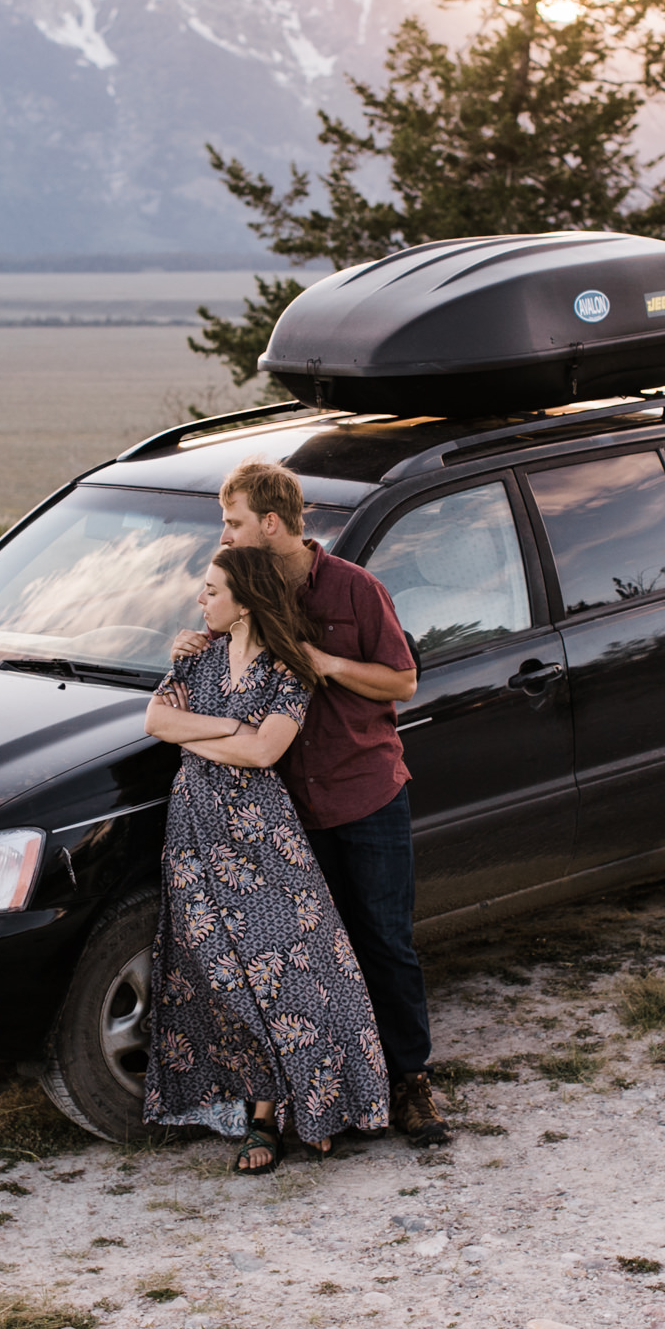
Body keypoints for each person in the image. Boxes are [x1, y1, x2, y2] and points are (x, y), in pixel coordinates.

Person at [172, 459, 448, 1147]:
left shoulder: (355, 589)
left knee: (384, 942)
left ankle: (411, 1083)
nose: (226, 536)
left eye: (233, 522)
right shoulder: (245, 589)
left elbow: (405, 680)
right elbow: (219, 653)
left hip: (365, 791)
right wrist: (188, 644)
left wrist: (328, 664)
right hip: (287, 810)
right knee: (318, 959)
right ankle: (342, 1099)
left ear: (270, 522)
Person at [140, 544, 392, 1172]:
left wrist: (198, 731)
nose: (201, 601)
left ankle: (320, 1106)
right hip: (196, 837)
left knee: (301, 973)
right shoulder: (195, 658)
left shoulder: (289, 667)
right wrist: (230, 730)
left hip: (265, 841)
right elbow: (153, 721)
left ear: (246, 604)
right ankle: (259, 1112)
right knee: (226, 981)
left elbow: (267, 754)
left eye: (212, 591)